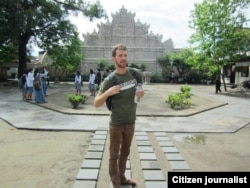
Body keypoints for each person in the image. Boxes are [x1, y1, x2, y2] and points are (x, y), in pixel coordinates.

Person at [94, 44, 144, 188]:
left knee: (125, 152)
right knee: (113, 155)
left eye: (125, 55)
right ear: (114, 58)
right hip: (116, 124)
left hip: (131, 122)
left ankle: (122, 178)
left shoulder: (135, 74)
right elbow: (96, 103)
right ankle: (115, 183)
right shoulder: (110, 80)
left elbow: (139, 92)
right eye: (120, 56)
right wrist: (108, 92)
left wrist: (140, 94)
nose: (123, 58)